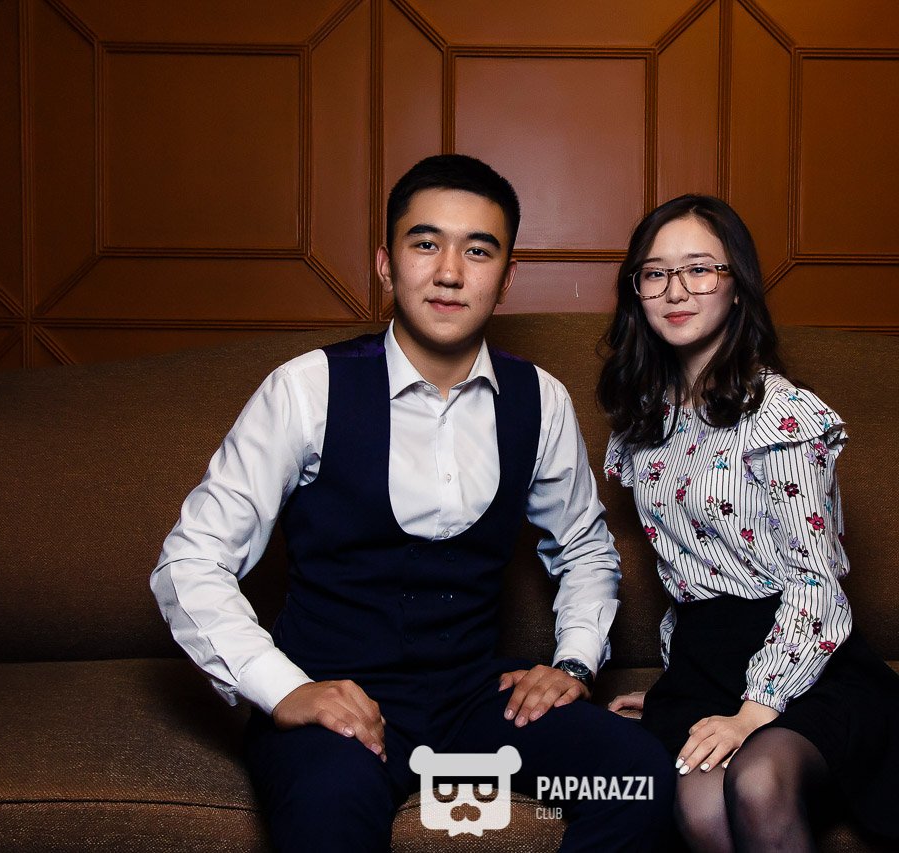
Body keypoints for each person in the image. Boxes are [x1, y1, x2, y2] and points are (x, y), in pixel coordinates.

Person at [150, 154, 674, 852]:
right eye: (426, 243)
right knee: (329, 812)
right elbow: (189, 561)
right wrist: (284, 689)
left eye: (478, 250)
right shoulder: (307, 389)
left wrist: (575, 660)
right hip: (336, 699)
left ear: (506, 277)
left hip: (474, 700)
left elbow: (585, 549)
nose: (450, 271)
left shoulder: (539, 400)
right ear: (385, 265)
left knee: (638, 778)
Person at [599, 195, 899, 852]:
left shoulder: (780, 415)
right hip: (704, 664)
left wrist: (755, 707)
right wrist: (676, 685)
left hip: (800, 658)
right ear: (636, 290)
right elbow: (688, 571)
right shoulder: (644, 421)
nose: (676, 290)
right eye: (655, 273)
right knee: (698, 803)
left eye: (699, 269)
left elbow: (816, 582)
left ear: (737, 286)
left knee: (757, 780)